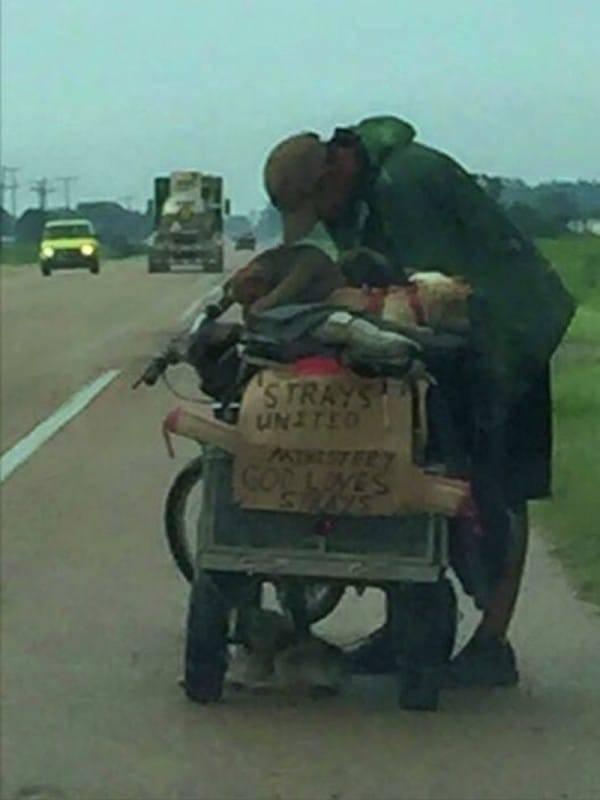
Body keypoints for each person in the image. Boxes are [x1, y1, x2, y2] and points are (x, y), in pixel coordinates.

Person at [262, 116, 576, 687]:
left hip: (512, 332)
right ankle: (403, 629)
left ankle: (491, 643)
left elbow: (431, 289)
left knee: (499, 481)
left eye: (318, 205)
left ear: (336, 170)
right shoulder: (364, 192)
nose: (324, 220)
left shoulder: (405, 183)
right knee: (412, 458)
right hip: (467, 333)